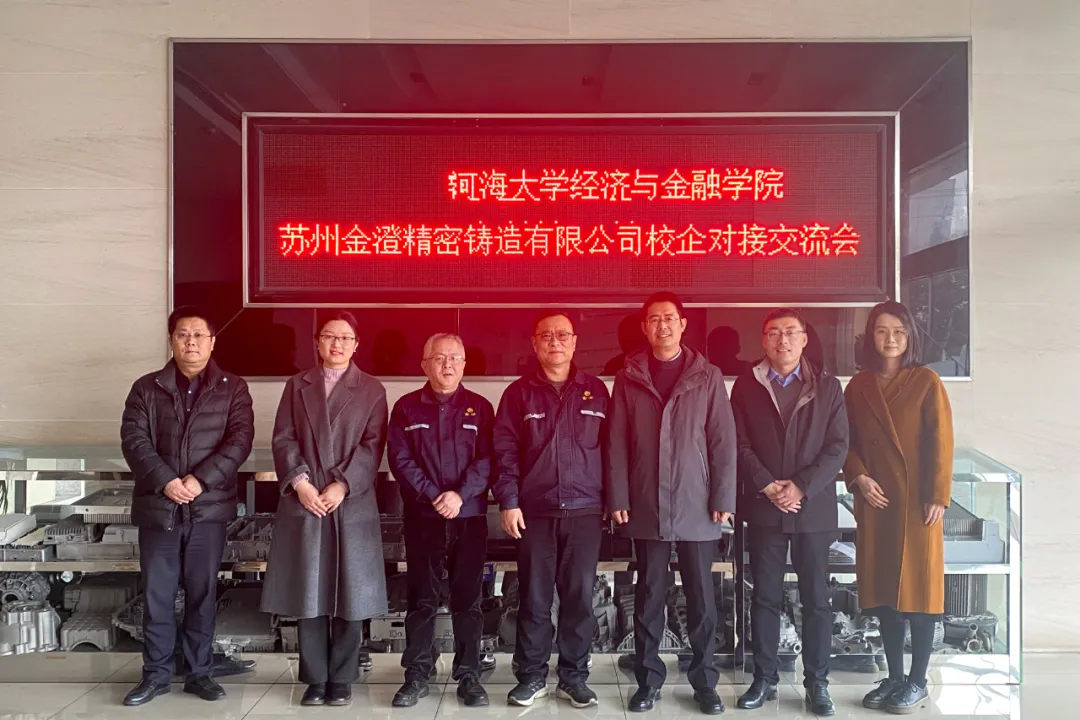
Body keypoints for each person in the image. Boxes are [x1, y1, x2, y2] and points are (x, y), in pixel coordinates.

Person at [607, 291, 737, 715]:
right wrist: (618, 496)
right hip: (646, 500)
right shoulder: (629, 377)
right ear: (644, 328)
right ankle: (648, 682)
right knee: (648, 596)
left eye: (669, 318)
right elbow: (616, 442)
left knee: (701, 598)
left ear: (682, 324)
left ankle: (705, 682)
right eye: (653, 319)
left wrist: (722, 496)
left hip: (698, 502)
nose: (662, 325)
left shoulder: (707, 375)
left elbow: (722, 440)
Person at [120, 306, 254, 706]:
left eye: (198, 335)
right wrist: (167, 481)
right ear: (171, 341)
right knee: (157, 596)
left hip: (207, 510)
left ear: (213, 342)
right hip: (159, 507)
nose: (190, 342)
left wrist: (199, 481)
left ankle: (199, 673)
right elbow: (134, 441)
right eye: (182, 334)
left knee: (202, 594)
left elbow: (239, 442)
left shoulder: (233, 389)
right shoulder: (146, 388)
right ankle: (156, 675)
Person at [260, 312, 389, 708]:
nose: (337, 344)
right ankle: (315, 679)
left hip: (350, 502)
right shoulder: (297, 385)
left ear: (356, 345)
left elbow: (373, 445)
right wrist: (300, 483)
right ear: (317, 342)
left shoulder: (371, 389)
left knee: (351, 593)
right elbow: (283, 438)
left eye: (345, 338)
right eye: (330, 336)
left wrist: (343, 484)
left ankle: (343, 678)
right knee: (309, 591)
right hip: (308, 500)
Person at [730, 309, 849, 716]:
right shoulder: (746, 385)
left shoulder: (828, 386)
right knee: (764, 596)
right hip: (764, 508)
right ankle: (764, 678)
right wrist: (767, 484)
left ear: (804, 339)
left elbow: (838, 446)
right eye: (774, 333)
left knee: (816, 598)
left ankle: (817, 683)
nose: (783, 340)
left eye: (791, 332)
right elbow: (738, 442)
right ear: (764, 340)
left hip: (812, 509)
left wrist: (800, 486)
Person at [492, 311, 610, 709]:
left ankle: (574, 678)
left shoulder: (596, 391)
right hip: (535, 513)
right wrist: (509, 501)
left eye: (562, 335)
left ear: (574, 342)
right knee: (534, 598)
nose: (554, 342)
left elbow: (612, 451)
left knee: (579, 599)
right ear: (535, 343)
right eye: (546, 336)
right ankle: (531, 677)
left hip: (586, 511)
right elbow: (504, 453)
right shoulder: (518, 394)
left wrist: (614, 503)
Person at [844, 300, 953, 714]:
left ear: (910, 336)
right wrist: (858, 476)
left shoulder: (926, 380)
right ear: (870, 337)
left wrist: (938, 495)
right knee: (884, 595)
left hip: (917, 503)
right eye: (881, 331)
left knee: (919, 594)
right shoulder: (858, 385)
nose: (890, 339)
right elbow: (846, 442)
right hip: (876, 500)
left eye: (898, 331)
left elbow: (941, 441)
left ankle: (918, 681)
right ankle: (893, 677)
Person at [387, 334, 494, 709]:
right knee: (421, 599)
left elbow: (488, 459)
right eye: (439, 358)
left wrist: (460, 495)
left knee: (469, 600)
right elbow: (400, 460)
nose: (447, 364)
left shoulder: (481, 408)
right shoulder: (406, 408)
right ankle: (418, 674)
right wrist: (435, 495)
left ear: (464, 364)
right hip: (423, 517)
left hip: (470, 516)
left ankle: (469, 675)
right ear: (425, 364)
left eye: (454, 358)